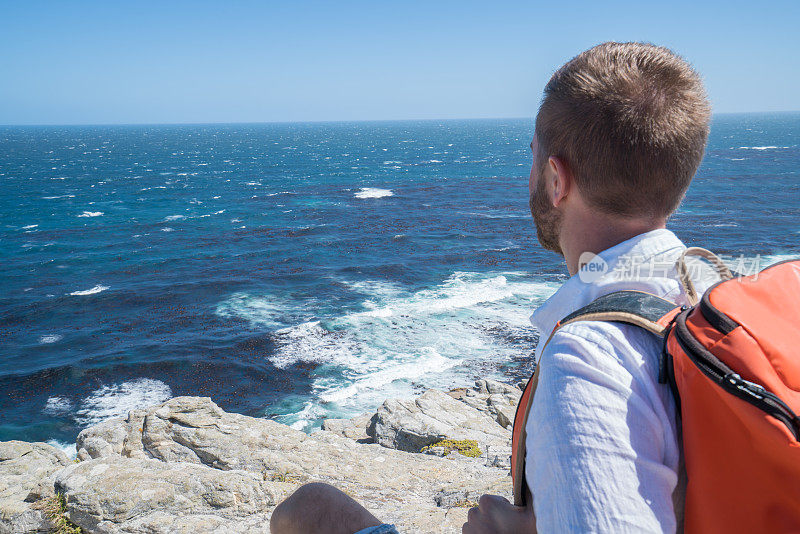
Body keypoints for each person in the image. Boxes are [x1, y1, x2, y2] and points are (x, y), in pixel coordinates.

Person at [271, 41, 713, 534]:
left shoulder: (590, 359)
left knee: (306, 514)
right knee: (311, 506)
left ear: (555, 179)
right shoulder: (721, 296)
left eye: (532, 160)